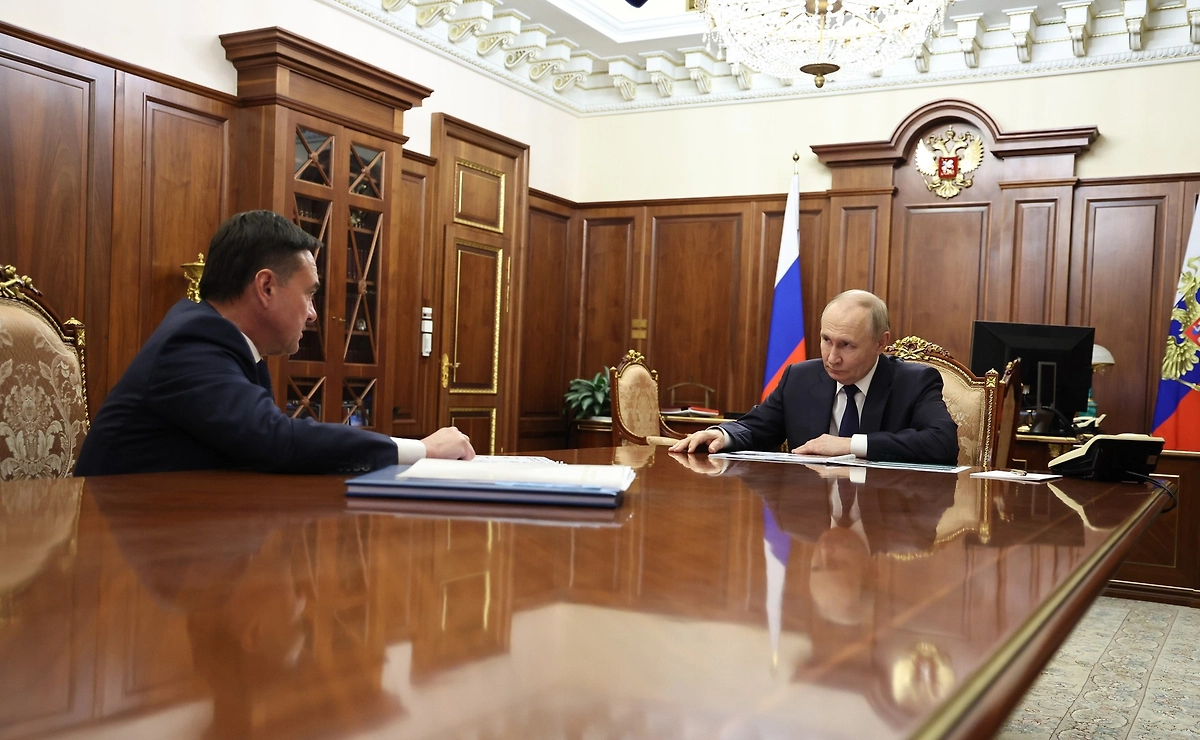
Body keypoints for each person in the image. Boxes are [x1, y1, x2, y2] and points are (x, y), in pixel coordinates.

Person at [76, 210, 473, 476]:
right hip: (113, 551)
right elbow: (276, 440)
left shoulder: (224, 342)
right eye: (309, 294)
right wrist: (422, 450)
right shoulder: (192, 342)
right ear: (266, 286)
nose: (313, 314)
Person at [670, 289, 958, 465]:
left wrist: (850, 445)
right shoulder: (800, 377)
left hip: (884, 518)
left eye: (847, 345)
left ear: (880, 343)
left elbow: (942, 443)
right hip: (815, 511)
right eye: (826, 340)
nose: (832, 358)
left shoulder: (914, 381)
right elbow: (757, 427)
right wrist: (722, 434)